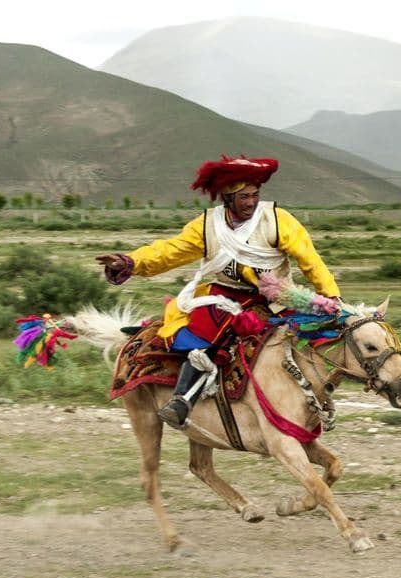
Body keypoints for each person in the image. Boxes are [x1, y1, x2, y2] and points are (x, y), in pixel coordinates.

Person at [96, 155, 340, 428]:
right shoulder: (207, 225)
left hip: (275, 298)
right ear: (227, 198)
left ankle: (322, 395)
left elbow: (311, 260)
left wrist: (329, 295)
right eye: (243, 196)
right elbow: (169, 251)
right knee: (200, 334)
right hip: (225, 296)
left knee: (320, 335)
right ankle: (182, 400)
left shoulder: (278, 220)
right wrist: (132, 261)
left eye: (255, 194)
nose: (251, 201)